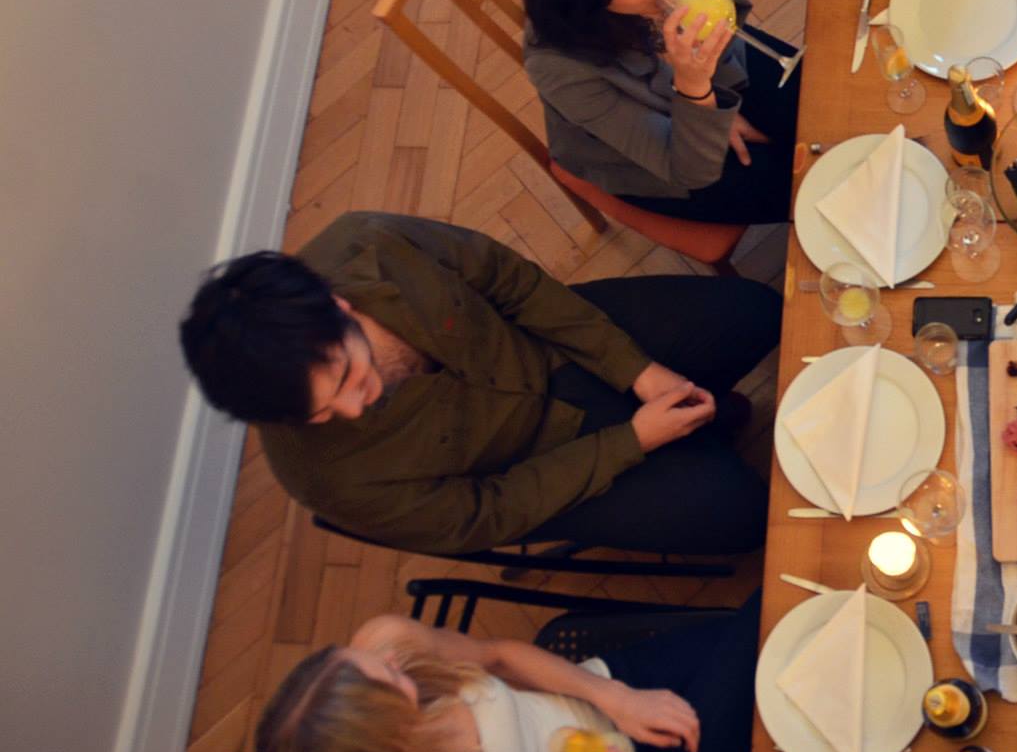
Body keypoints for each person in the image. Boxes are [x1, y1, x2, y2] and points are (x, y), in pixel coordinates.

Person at [178, 212, 776, 557]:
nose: (355, 410)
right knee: (746, 517)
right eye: (319, 413)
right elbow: (485, 514)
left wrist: (636, 370)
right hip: (540, 464)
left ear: (336, 304)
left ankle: (712, 420)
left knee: (755, 313)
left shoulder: (367, 245)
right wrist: (631, 442)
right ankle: (706, 430)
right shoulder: (324, 480)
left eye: (348, 376)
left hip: (555, 349)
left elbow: (508, 282)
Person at [509, 0, 801, 224]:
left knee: (822, 112)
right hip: (655, 155)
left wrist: (715, 88)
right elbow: (686, 169)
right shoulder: (559, 65)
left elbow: (721, 3)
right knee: (798, 188)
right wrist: (697, 94)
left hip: (713, 62)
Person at [253, 593, 761, 752]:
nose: (390, 660)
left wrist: (616, 698)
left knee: (767, 629)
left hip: (606, 687)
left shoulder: (387, 641)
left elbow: (498, 655)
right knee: (772, 639)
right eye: (389, 680)